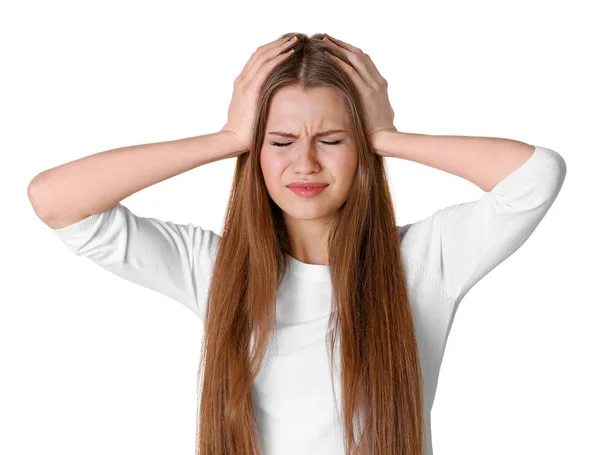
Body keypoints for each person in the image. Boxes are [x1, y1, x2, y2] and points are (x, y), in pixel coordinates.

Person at [27, 32, 567, 455]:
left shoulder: (426, 261)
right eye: (281, 141)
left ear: (361, 152)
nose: (305, 163)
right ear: (256, 154)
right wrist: (226, 139)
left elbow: (536, 176)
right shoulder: (212, 269)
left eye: (331, 141)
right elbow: (56, 200)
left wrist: (388, 136)